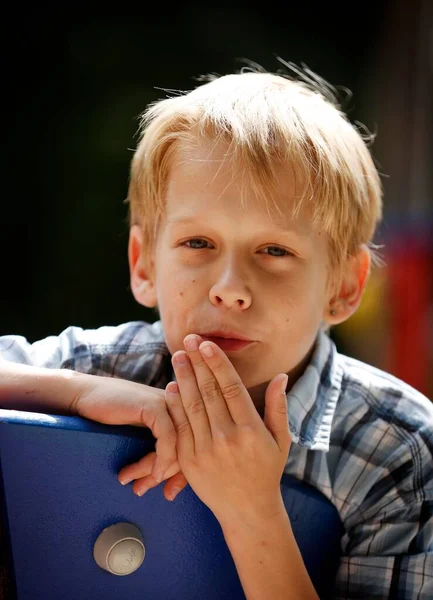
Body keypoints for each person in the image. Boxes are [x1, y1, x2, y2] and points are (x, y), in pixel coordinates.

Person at [0, 59, 432, 599]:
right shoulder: (101, 366)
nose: (230, 287)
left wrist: (251, 511)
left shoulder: (402, 453)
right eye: (198, 244)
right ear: (144, 264)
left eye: (275, 250)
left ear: (345, 286)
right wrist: (79, 392)